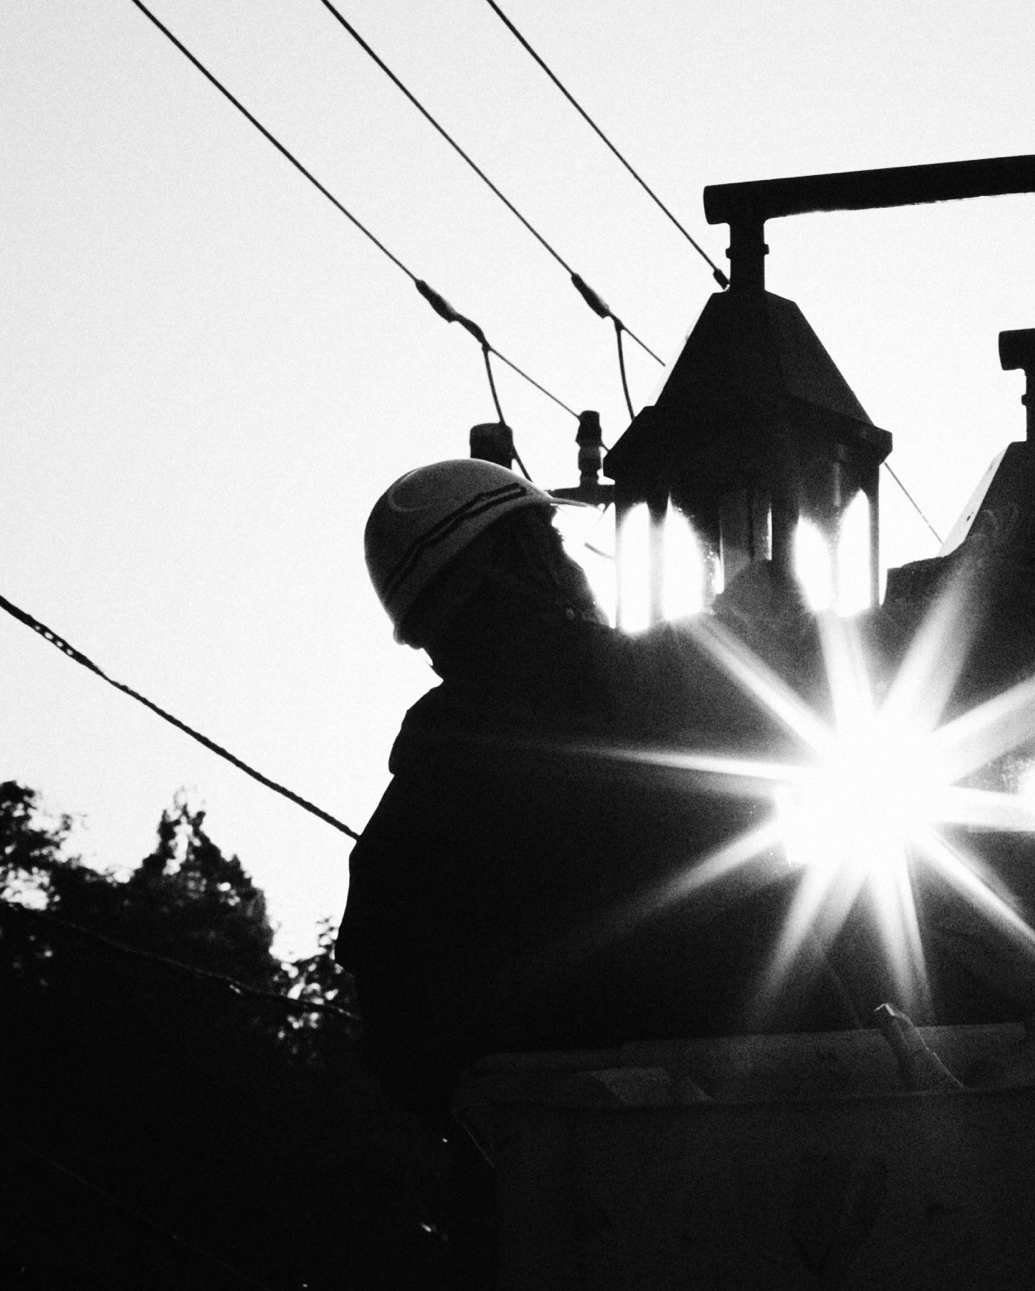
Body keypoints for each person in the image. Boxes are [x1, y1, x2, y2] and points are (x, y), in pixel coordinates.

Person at [335, 454, 847, 1123]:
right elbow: (822, 670)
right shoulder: (649, 686)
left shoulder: (406, 824)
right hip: (764, 1142)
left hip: (552, 1196)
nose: (576, 570)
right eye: (555, 548)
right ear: (523, 566)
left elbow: (406, 1065)